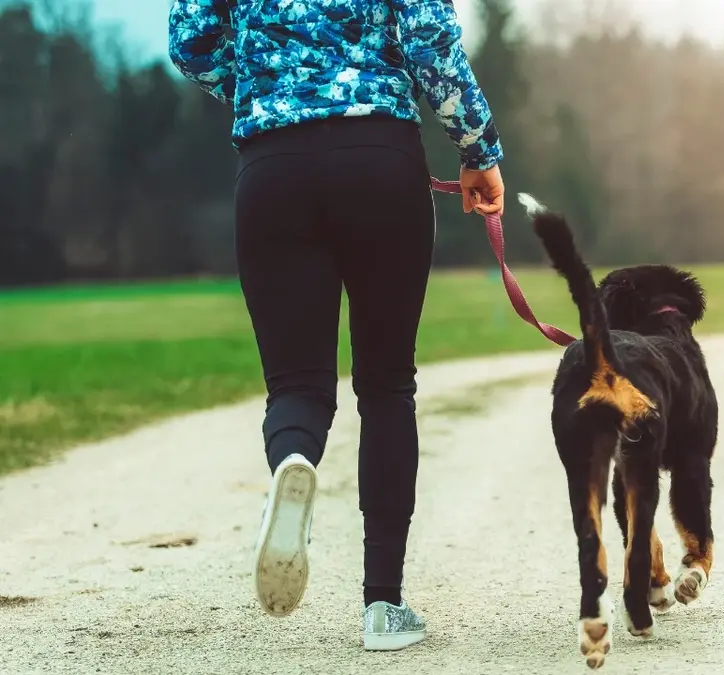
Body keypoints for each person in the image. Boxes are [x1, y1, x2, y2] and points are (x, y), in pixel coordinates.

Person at [167, 0, 505, 651]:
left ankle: (292, 462)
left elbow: (190, 39)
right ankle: (383, 605)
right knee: (385, 383)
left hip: (273, 165)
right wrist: (477, 147)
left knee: (296, 384)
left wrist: (263, 87)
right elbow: (428, 36)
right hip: (378, 156)